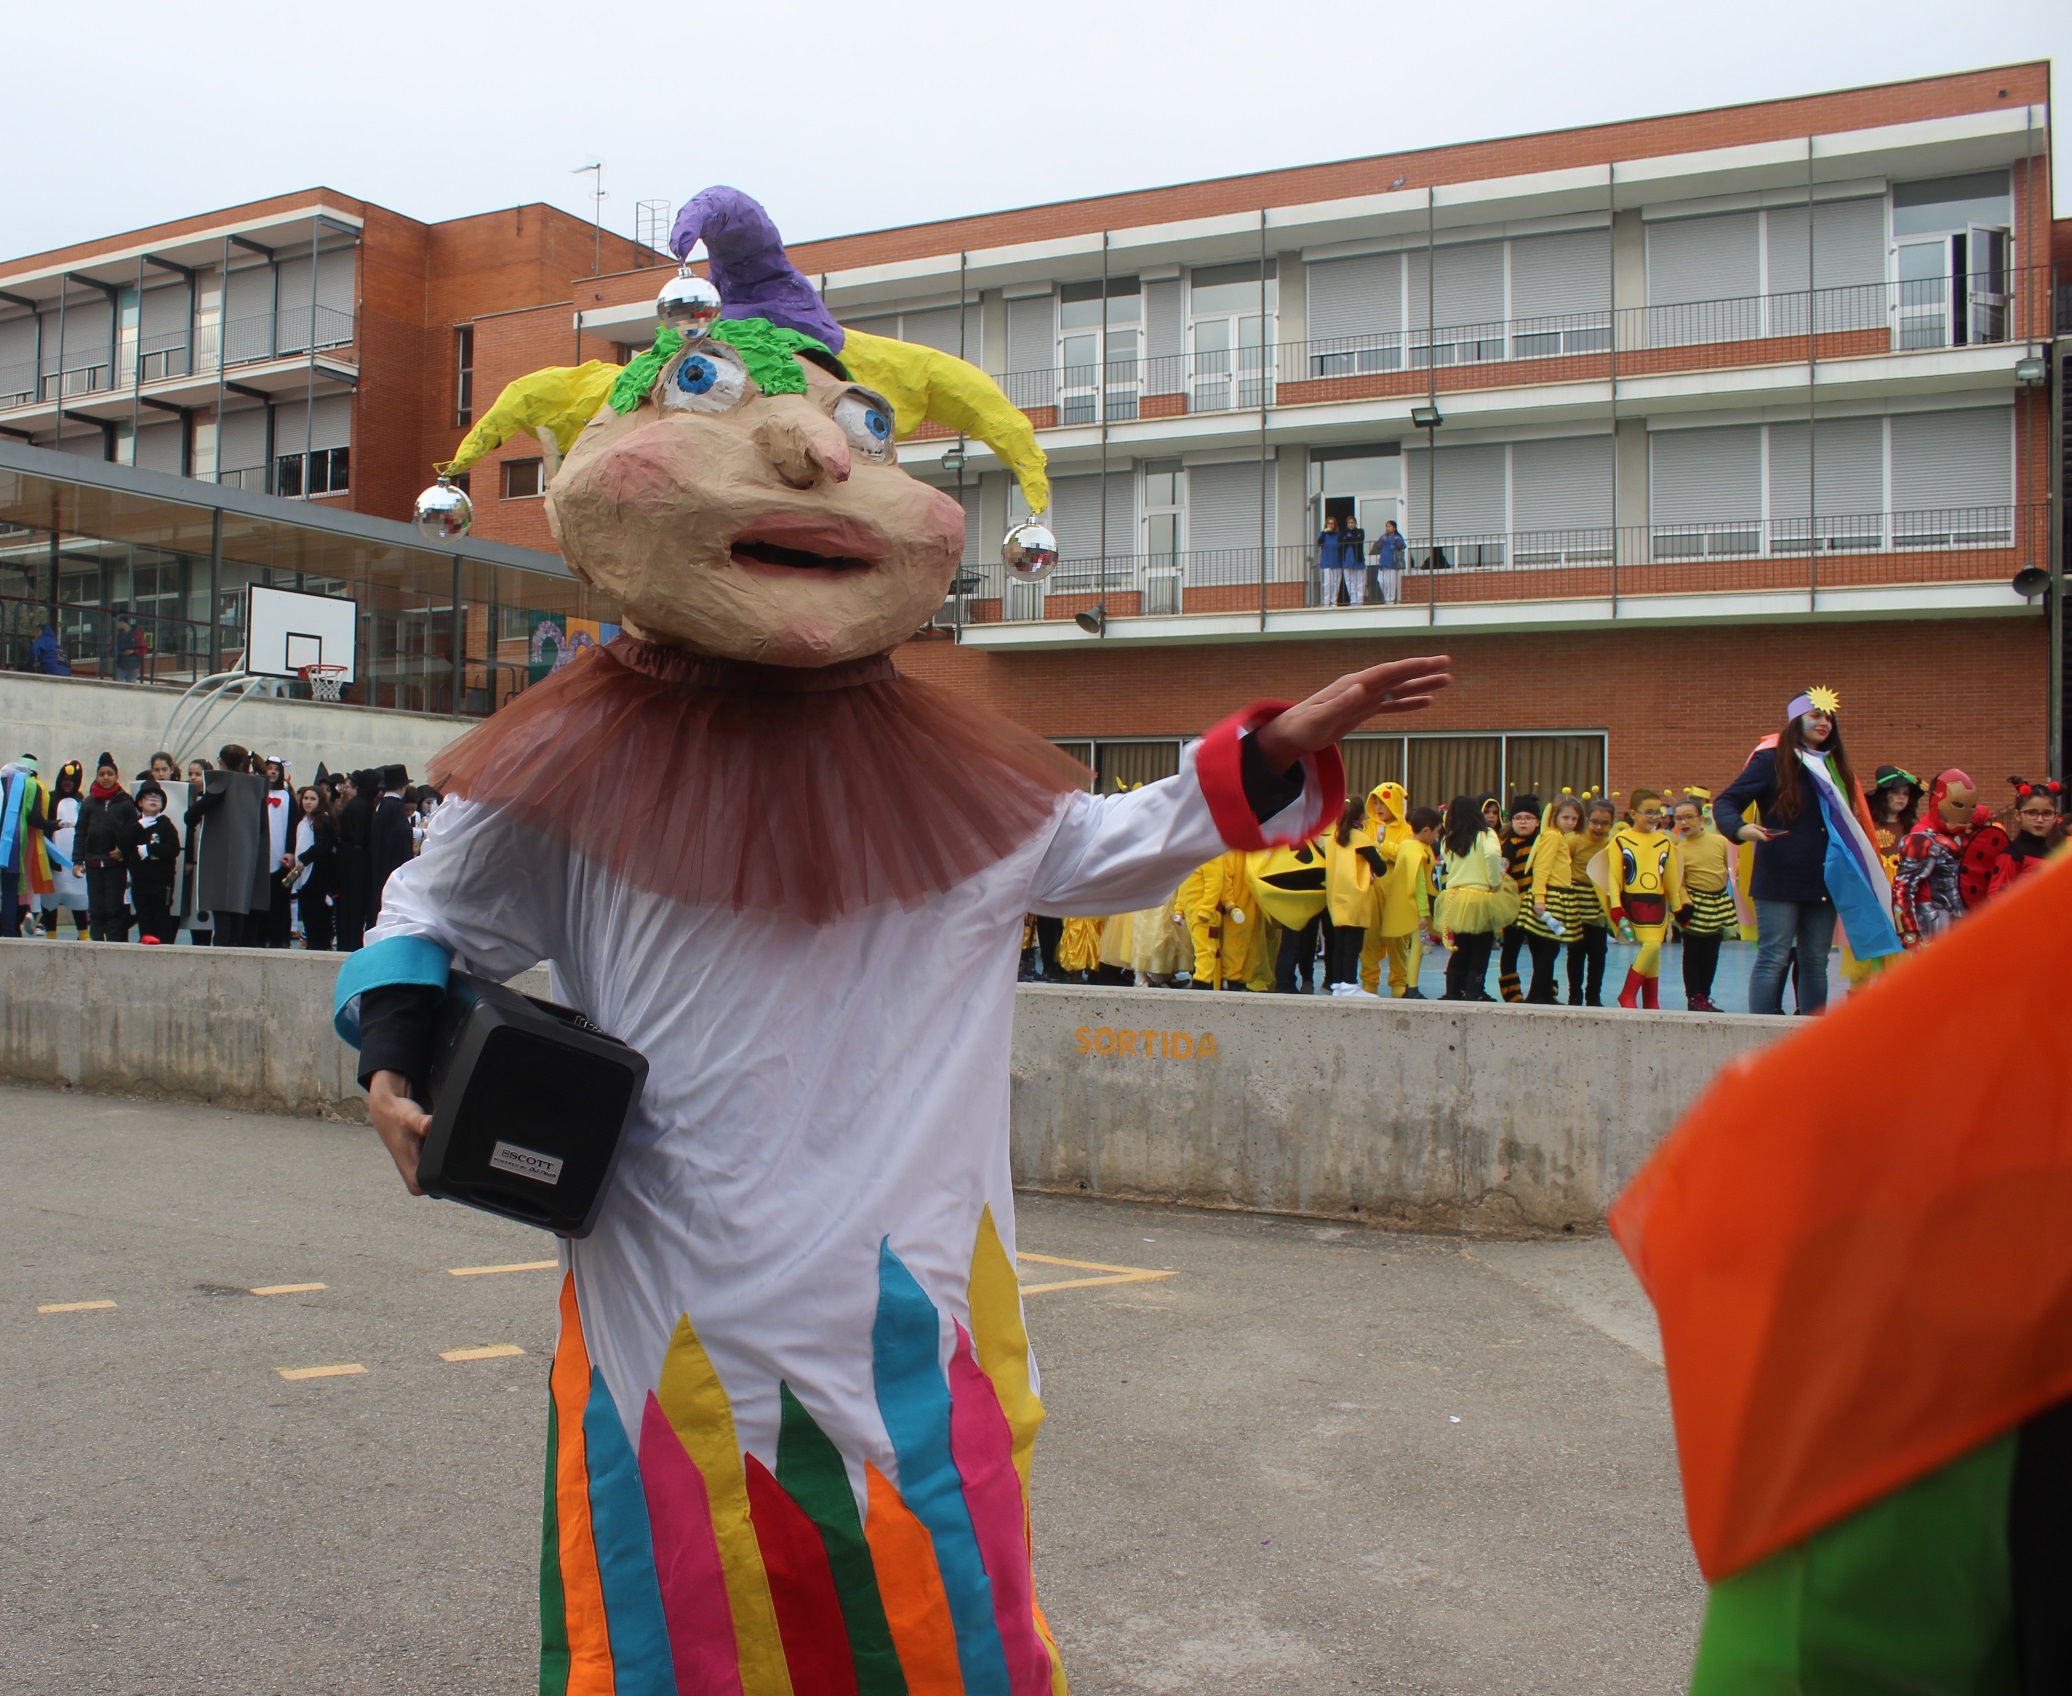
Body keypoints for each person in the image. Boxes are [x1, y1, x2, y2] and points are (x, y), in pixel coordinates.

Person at [334, 187, 1451, 1692]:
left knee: (934, 1636)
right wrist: (397, 1049)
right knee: (681, 1629)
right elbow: (435, 910)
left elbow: (1114, 850)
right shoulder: (577, 761)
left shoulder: (947, 780)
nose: (808, 461)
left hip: (907, 1319)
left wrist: (1258, 757)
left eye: (853, 433)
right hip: (674, 1289)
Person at [1714, 687, 1899, 1016]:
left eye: (1829, 717)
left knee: (1815, 959)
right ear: (1795, 720)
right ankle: (1757, 1034)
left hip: (1824, 879)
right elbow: (1727, 801)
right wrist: (1739, 829)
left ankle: (1812, 1033)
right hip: (1780, 875)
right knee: (1774, 955)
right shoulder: (1771, 759)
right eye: (1815, 715)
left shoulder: (1835, 768)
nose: (1824, 722)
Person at [1891, 768, 1997, 949]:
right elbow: (1902, 889)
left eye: (1971, 806)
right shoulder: (1921, 839)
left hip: (1963, 926)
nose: (1965, 813)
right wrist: (1909, 933)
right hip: (1932, 928)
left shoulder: (1960, 837)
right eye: (1958, 804)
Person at [188, 744, 272, 947]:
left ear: (222, 762)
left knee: (222, 913)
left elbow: (191, 814)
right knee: (239, 911)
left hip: (222, 857)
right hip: (247, 858)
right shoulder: (257, 786)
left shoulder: (223, 784)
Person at [1435, 792, 1517, 1000]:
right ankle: (1475, 990)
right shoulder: (1486, 834)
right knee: (1481, 948)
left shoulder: (1448, 839)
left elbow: (1450, 866)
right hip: (1480, 895)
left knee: (1461, 947)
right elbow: (1491, 855)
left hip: (1457, 896)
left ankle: (1454, 990)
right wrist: (1494, 881)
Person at [1608, 789, 1682, 1009]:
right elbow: (1614, 876)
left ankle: (1651, 1000)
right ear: (1633, 813)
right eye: (1648, 811)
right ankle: (1627, 993)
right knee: (1651, 945)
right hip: (1634, 901)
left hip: (1658, 904)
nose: (1654, 816)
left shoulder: (1665, 842)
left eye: (1658, 811)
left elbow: (1670, 878)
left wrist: (1677, 906)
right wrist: (1616, 906)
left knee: (1656, 949)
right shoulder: (1620, 840)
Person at [1671, 790, 1735, 1012]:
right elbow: (1677, 881)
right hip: (1695, 905)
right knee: (1692, 952)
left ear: (1701, 819)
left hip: (1717, 903)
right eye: (1678, 818)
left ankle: (1705, 995)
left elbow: (1733, 869)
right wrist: (1685, 904)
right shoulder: (1678, 850)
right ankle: (1694, 996)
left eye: (1689, 817)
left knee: (1712, 952)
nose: (1684, 822)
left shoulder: (1720, 842)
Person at [1518, 794, 1582, 1004]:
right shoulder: (1553, 837)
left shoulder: (1556, 836)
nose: (1570, 822)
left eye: (1574, 819)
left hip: (1556, 895)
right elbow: (1542, 868)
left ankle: (1544, 992)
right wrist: (1539, 898)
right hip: (1550, 897)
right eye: (1566, 817)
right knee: (1550, 947)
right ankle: (1537, 994)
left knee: (1545, 948)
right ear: (1555, 816)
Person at [1376, 805, 1441, 997]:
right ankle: (1411, 987)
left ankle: (1409, 986)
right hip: (1415, 907)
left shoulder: (1410, 845)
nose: (1437, 837)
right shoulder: (1416, 850)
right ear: (1427, 830)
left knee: (1414, 948)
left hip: (1410, 905)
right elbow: (1418, 883)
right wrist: (1423, 912)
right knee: (1416, 949)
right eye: (1437, 832)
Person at [76, 752, 140, 941]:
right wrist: (78, 860)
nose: (105, 778)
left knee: (114, 907)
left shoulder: (126, 803)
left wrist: (123, 852)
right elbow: (80, 832)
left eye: (109, 774)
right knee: (96, 908)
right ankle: (96, 942)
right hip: (93, 863)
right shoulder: (88, 803)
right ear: (96, 776)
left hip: (115, 864)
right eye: (102, 774)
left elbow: (133, 833)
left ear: (116, 777)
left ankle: (114, 943)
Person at [1357, 780, 1413, 994]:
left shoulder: (1407, 830)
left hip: (1395, 894)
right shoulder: (1367, 826)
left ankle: (1399, 981)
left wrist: (1382, 847)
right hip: (1369, 893)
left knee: (1398, 940)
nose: (1379, 808)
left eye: (1384, 803)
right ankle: (1369, 982)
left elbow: (1405, 853)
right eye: (1376, 802)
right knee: (1368, 940)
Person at [1322, 795, 1377, 996]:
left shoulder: (1332, 839)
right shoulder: (1361, 839)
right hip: (1356, 898)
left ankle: (1337, 984)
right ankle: (1350, 984)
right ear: (1361, 815)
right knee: (1353, 945)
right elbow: (1380, 868)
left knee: (1339, 944)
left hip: (1335, 897)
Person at [0, 755, 59, 938]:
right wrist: (53, 825)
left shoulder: (2, 780)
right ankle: (9, 931)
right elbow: (34, 818)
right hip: (15, 847)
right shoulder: (34, 785)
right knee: (10, 890)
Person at [1565, 795, 1616, 1006]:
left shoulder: (1612, 845)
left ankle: (1593, 995)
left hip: (1598, 904)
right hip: (1577, 902)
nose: (1598, 827)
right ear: (1587, 821)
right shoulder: (1574, 841)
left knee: (1598, 952)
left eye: (1605, 824)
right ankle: (1574, 994)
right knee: (1575, 951)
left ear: (1611, 824)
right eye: (1595, 822)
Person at [1496, 795, 1541, 1002]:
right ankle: (1512, 993)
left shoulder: (1542, 844)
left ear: (1537, 821)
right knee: (1511, 950)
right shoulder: (1507, 846)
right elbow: (1500, 874)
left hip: (1538, 907)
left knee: (1541, 951)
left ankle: (1543, 990)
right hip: (1513, 908)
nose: (1523, 822)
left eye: (1528, 817)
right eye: (1518, 818)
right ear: (1511, 821)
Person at [1991, 777, 2064, 896]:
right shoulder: (2011, 855)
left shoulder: (2055, 856)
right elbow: (1996, 897)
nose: (2039, 820)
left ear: (2055, 816)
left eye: (2047, 813)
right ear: (2017, 815)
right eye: (2032, 813)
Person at [129, 782, 181, 943]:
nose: (153, 800)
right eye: (148, 797)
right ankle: (146, 943)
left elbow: (173, 849)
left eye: (157, 797)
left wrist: (151, 849)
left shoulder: (165, 825)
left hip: (161, 881)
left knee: (161, 915)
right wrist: (138, 828)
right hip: (139, 880)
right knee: (143, 915)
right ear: (140, 802)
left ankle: (164, 947)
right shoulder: (135, 824)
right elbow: (123, 841)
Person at [42, 760, 89, 940]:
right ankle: (51, 935)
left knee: (79, 898)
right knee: (50, 899)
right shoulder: (50, 798)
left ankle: (84, 934)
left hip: (76, 860)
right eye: (65, 779)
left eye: (72, 780)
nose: (67, 783)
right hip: (54, 858)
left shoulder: (81, 801)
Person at [333, 770, 375, 950]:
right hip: (356, 863)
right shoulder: (363, 805)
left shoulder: (356, 803)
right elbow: (362, 836)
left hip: (349, 859)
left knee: (349, 909)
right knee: (354, 908)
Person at [293, 785, 339, 951]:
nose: (308, 802)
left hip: (316, 873)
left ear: (320, 801)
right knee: (308, 913)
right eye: (305, 798)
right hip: (304, 872)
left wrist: (304, 859)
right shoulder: (304, 820)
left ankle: (319, 945)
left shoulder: (322, 820)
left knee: (316, 912)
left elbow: (323, 845)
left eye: (312, 799)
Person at [367, 763, 414, 922]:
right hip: (392, 862)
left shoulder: (382, 805)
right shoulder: (395, 806)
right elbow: (402, 832)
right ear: (402, 787)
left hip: (380, 860)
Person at [175, 759, 214, 945]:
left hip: (204, 863)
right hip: (185, 861)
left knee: (202, 915)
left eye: (197, 774)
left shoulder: (211, 799)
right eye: (190, 773)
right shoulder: (181, 799)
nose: (192, 778)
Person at [261, 756, 297, 947]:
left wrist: (290, 851)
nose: (272, 772)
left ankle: (280, 937)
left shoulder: (287, 797)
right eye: (269, 768)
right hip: (262, 856)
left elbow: (292, 826)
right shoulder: (258, 794)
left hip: (281, 856)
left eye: (276, 769)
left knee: (281, 900)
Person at [1865, 764, 1921, 879]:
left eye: (1905, 793)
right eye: (1895, 792)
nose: (1901, 797)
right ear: (1882, 795)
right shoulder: (1865, 825)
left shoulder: (1913, 828)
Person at [1316, 514, 1361, 607]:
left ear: (1335, 525)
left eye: (1333, 523)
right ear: (1326, 524)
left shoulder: (1338, 535)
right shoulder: (1323, 534)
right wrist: (1324, 532)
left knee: (1336, 583)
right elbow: (1319, 543)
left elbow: (1343, 544)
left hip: (1338, 562)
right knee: (1327, 583)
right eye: (1329, 523)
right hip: (1326, 562)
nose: (1331, 525)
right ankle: (1326, 602)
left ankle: (1334, 602)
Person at [1373, 519, 1407, 606]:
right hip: (1383, 562)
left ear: (1394, 528)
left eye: (1389, 526)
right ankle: (1386, 598)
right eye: (1386, 526)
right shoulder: (1383, 537)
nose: (1387, 528)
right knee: (1381, 581)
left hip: (1392, 563)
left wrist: (1396, 541)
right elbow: (1377, 547)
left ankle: (1391, 599)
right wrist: (1382, 542)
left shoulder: (1397, 537)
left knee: (1391, 583)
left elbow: (1402, 547)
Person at [112, 614, 144, 683]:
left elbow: (144, 649)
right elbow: (113, 648)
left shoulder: (136, 633)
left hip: (132, 666)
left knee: (128, 686)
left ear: (122, 621)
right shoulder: (117, 634)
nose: (115, 624)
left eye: (116, 622)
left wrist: (133, 651)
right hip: (122, 665)